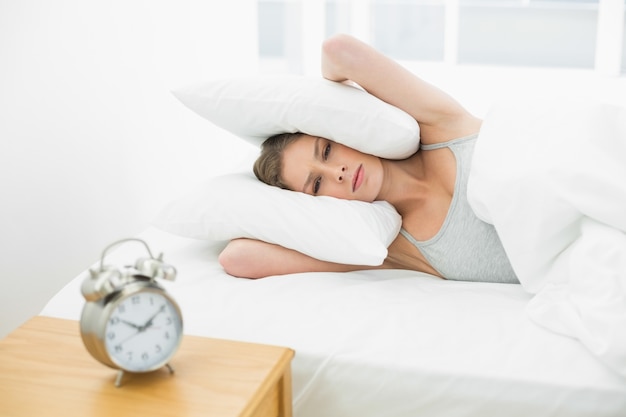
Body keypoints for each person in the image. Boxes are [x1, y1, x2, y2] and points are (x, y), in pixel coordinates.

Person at [219, 33, 519, 283]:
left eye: (326, 151)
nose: (338, 172)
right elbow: (238, 258)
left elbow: (339, 51)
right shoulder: (393, 249)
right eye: (317, 184)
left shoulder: (438, 126)